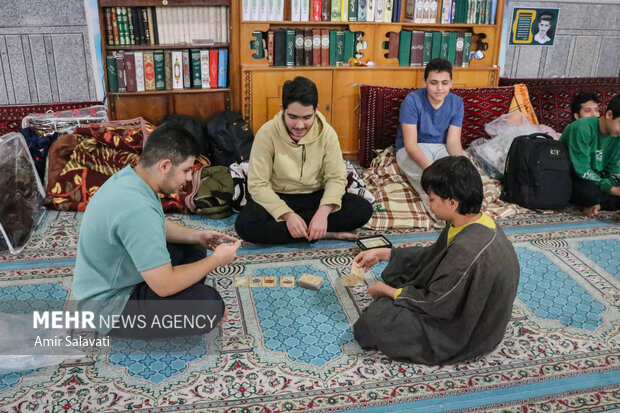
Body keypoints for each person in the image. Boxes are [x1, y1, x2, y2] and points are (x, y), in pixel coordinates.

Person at [73, 123, 241, 339]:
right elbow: (164, 286)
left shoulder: (133, 179)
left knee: (192, 249)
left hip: (110, 282)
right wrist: (217, 259)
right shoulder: (136, 208)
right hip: (107, 309)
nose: (189, 179)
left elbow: (154, 226)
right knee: (208, 306)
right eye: (186, 170)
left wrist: (197, 236)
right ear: (165, 166)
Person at [353, 156, 520, 365]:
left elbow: (436, 303)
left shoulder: (466, 250)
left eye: (431, 199)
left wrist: (386, 291)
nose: (429, 204)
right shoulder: (471, 220)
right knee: (398, 273)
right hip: (466, 303)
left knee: (376, 321)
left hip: (470, 330)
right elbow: (435, 256)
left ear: (452, 203)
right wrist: (385, 253)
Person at [235, 76, 373, 244]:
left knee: (363, 209)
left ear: (316, 110)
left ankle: (308, 229)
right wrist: (287, 215)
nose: (300, 125)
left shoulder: (327, 133)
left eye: (307, 117)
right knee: (244, 225)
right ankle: (325, 233)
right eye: (293, 117)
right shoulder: (267, 134)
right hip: (280, 195)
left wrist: (323, 213)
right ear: (282, 110)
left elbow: (336, 178)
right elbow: (258, 184)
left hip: (316, 197)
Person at [395, 58, 464, 217]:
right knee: (428, 180)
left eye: (445, 83)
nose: (439, 88)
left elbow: (453, 142)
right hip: (412, 148)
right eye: (433, 83)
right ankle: (440, 215)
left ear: (451, 83)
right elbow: (411, 144)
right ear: (425, 82)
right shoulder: (412, 100)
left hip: (442, 146)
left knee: (455, 176)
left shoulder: (457, 102)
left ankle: (460, 211)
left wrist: (462, 164)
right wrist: (431, 170)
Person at [560, 94, 620, 216]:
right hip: (575, 178)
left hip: (598, 178)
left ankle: (599, 205)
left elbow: (613, 167)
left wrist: (614, 183)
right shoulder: (582, 128)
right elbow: (582, 170)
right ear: (609, 115)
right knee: (590, 194)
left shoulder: (617, 135)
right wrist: (612, 189)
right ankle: (599, 202)